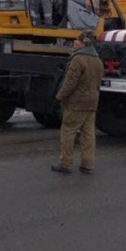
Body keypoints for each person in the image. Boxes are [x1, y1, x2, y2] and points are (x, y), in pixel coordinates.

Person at [51, 29, 105, 175]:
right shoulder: (98, 61)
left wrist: (59, 97)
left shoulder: (78, 59)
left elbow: (69, 83)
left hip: (76, 103)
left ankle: (65, 164)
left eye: (77, 40)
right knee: (88, 134)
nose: (74, 41)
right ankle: (88, 164)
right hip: (92, 102)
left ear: (84, 43)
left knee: (68, 131)